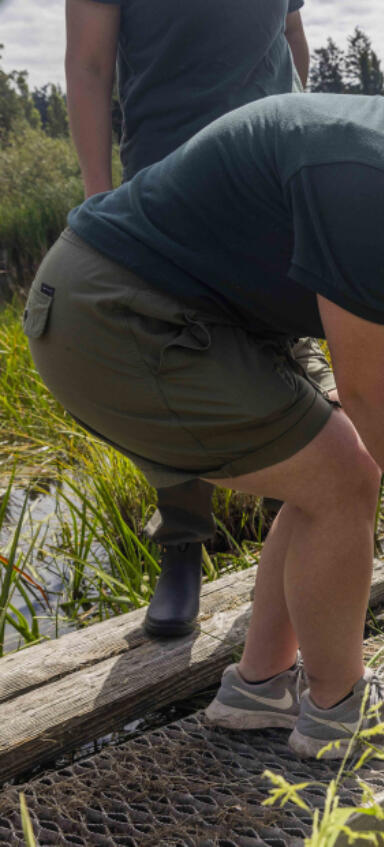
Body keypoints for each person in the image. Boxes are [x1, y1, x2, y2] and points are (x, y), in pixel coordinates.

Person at [27, 20, 384, 758]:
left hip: (190, 322)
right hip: (107, 315)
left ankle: (258, 687)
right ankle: (338, 711)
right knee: (343, 471)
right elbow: (370, 394)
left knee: (323, 470)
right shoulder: (377, 176)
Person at [65, 0, 321, 638]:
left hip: (269, 176)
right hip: (164, 179)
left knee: (282, 353)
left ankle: (299, 535)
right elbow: (89, 66)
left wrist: (303, 128)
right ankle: (182, 547)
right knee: (169, 363)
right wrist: (100, 199)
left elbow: (291, 33)